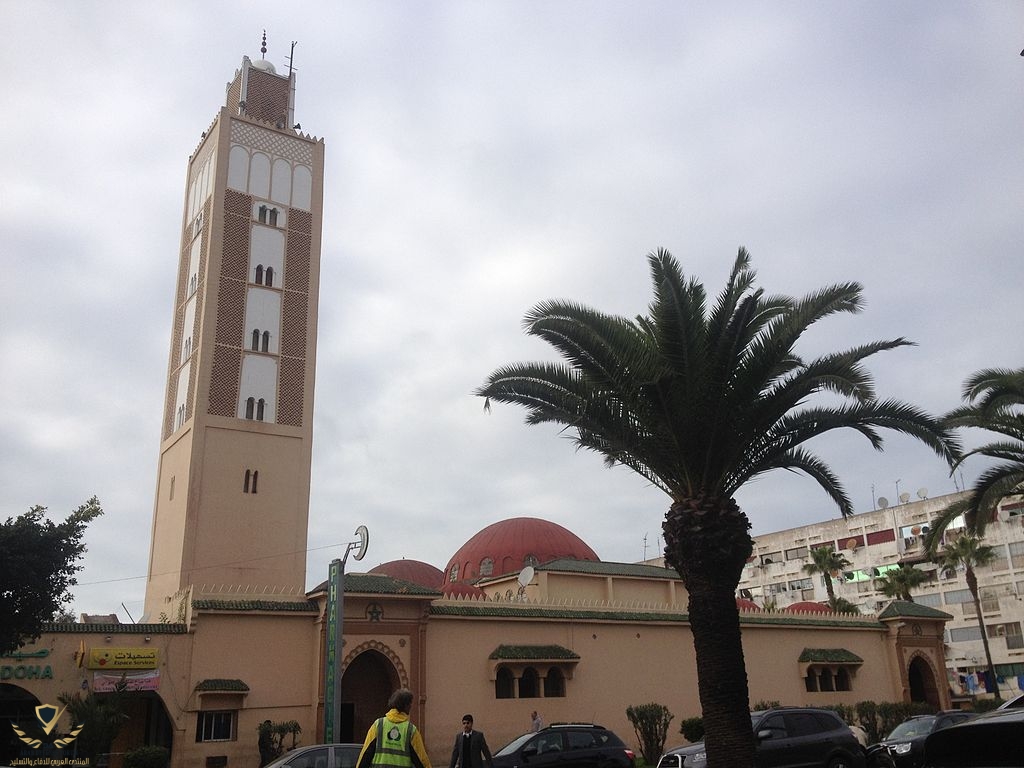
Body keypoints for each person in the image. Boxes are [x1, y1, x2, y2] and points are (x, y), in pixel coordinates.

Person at [356, 689, 432, 768]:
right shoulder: (411, 731)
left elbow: (365, 756)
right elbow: (422, 760)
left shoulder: (378, 725)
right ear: (405, 706)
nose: (410, 706)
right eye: (410, 703)